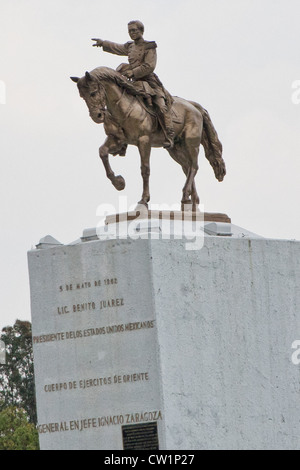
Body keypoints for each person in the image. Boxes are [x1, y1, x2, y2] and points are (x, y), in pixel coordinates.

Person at [92, 20, 174, 148]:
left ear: (141, 31)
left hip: (149, 81)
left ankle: (169, 134)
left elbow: (149, 66)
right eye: (130, 31)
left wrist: (133, 72)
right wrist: (103, 43)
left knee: (161, 105)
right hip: (135, 83)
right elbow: (117, 48)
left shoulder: (149, 46)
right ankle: (121, 137)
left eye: (134, 30)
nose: (132, 33)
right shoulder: (130, 46)